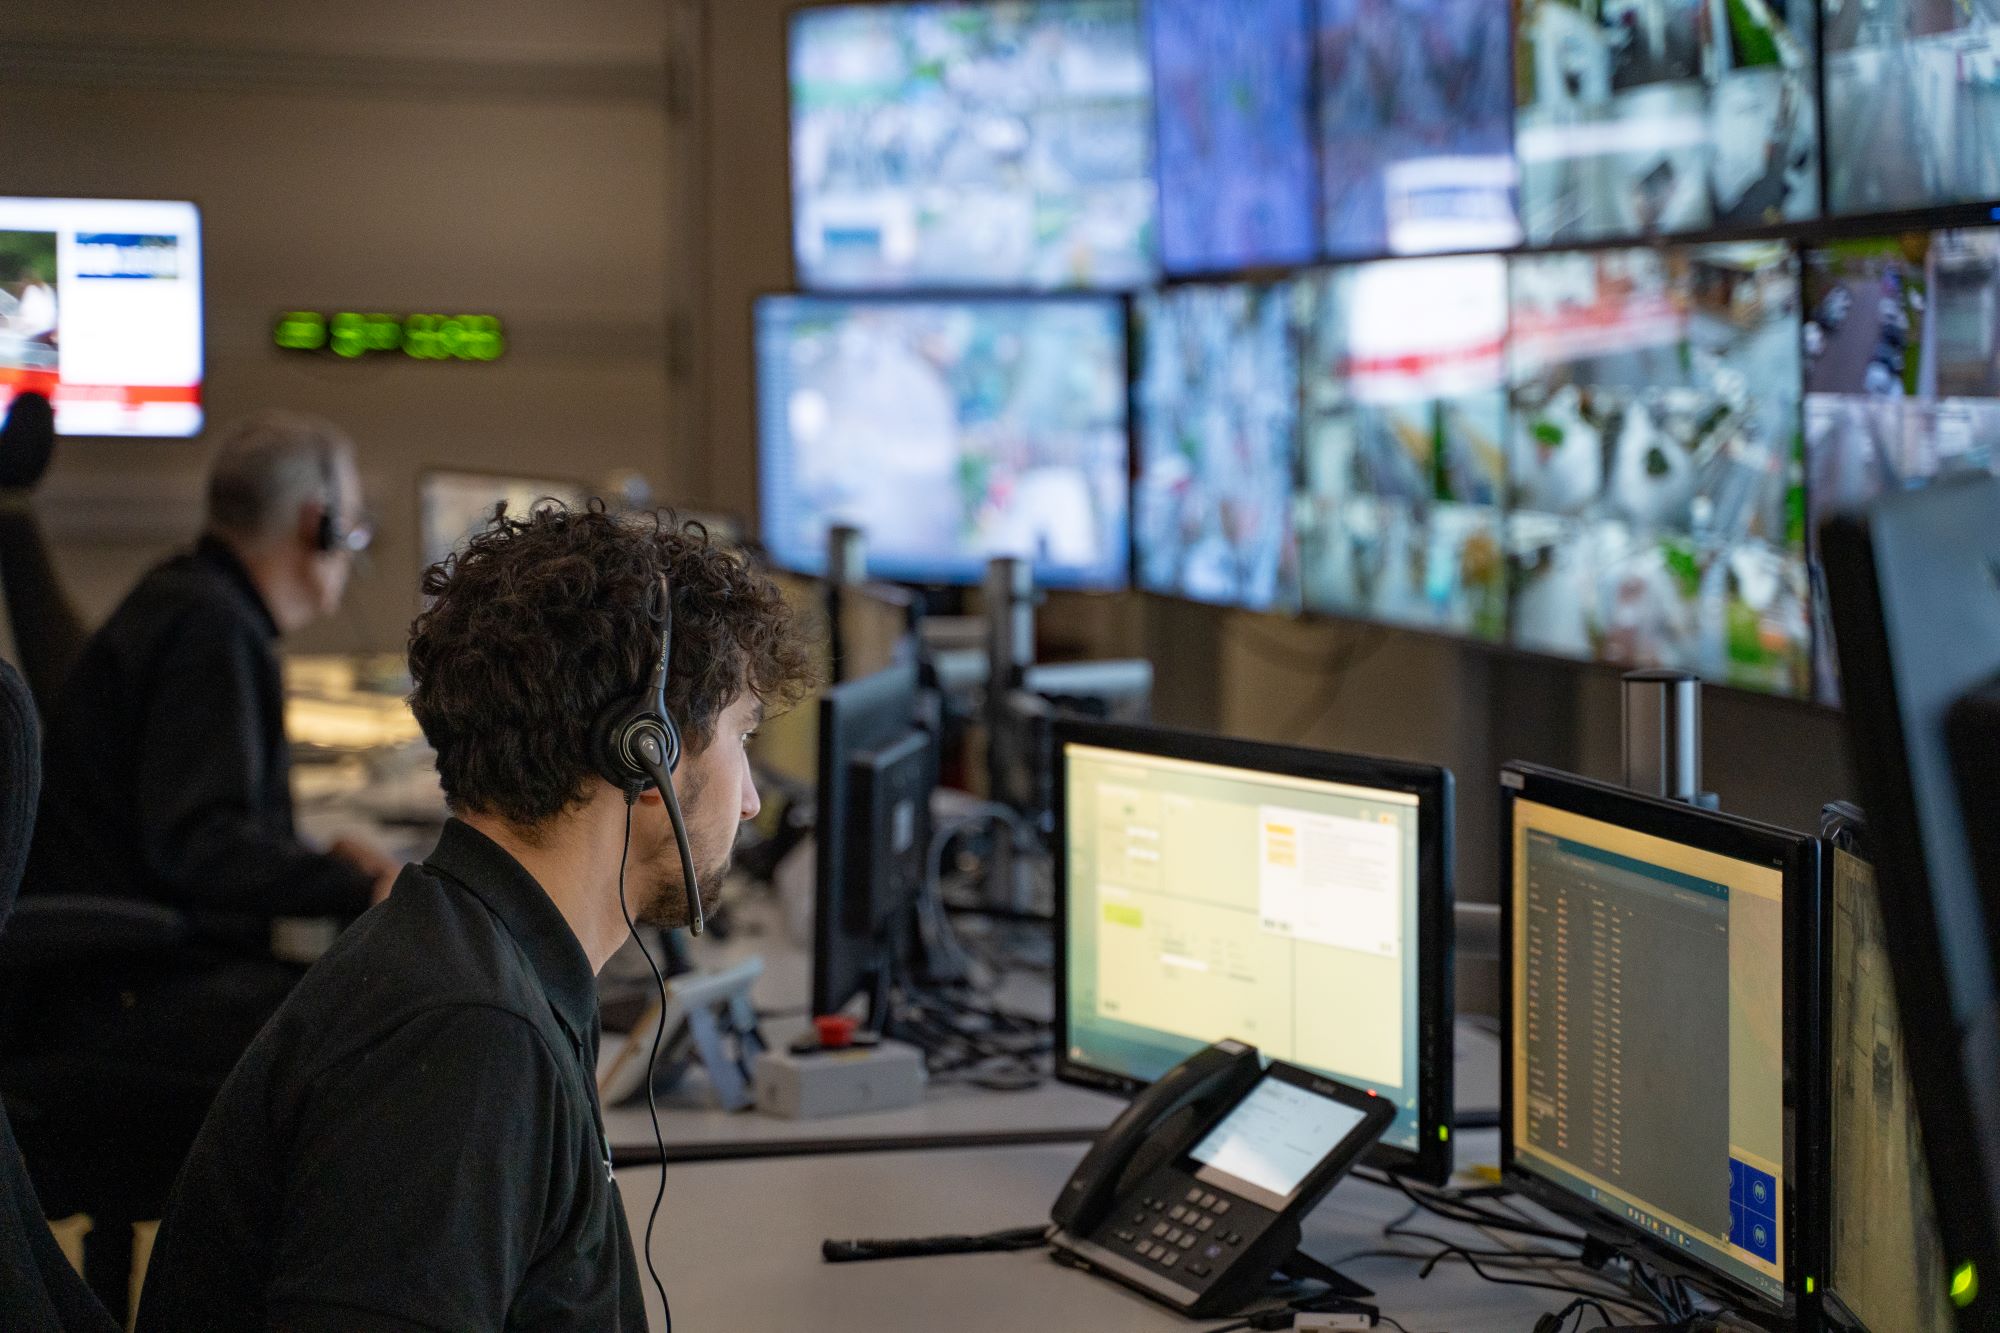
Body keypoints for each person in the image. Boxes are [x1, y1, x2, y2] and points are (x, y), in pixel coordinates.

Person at [137, 503, 814, 1330]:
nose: (750, 803)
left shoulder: (485, 960)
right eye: (743, 735)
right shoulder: (468, 1036)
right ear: (648, 754)